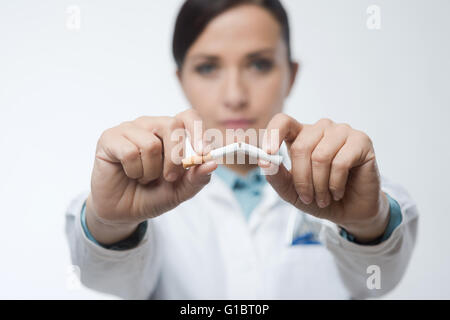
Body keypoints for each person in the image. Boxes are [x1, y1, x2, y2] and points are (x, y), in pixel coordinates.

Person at [65, 0, 418, 299]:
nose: (235, 96)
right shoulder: (138, 190)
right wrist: (110, 224)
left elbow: (378, 279)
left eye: (259, 64)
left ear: (290, 75)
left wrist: (367, 224)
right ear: (182, 80)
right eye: (207, 68)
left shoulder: (355, 183)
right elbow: (110, 279)